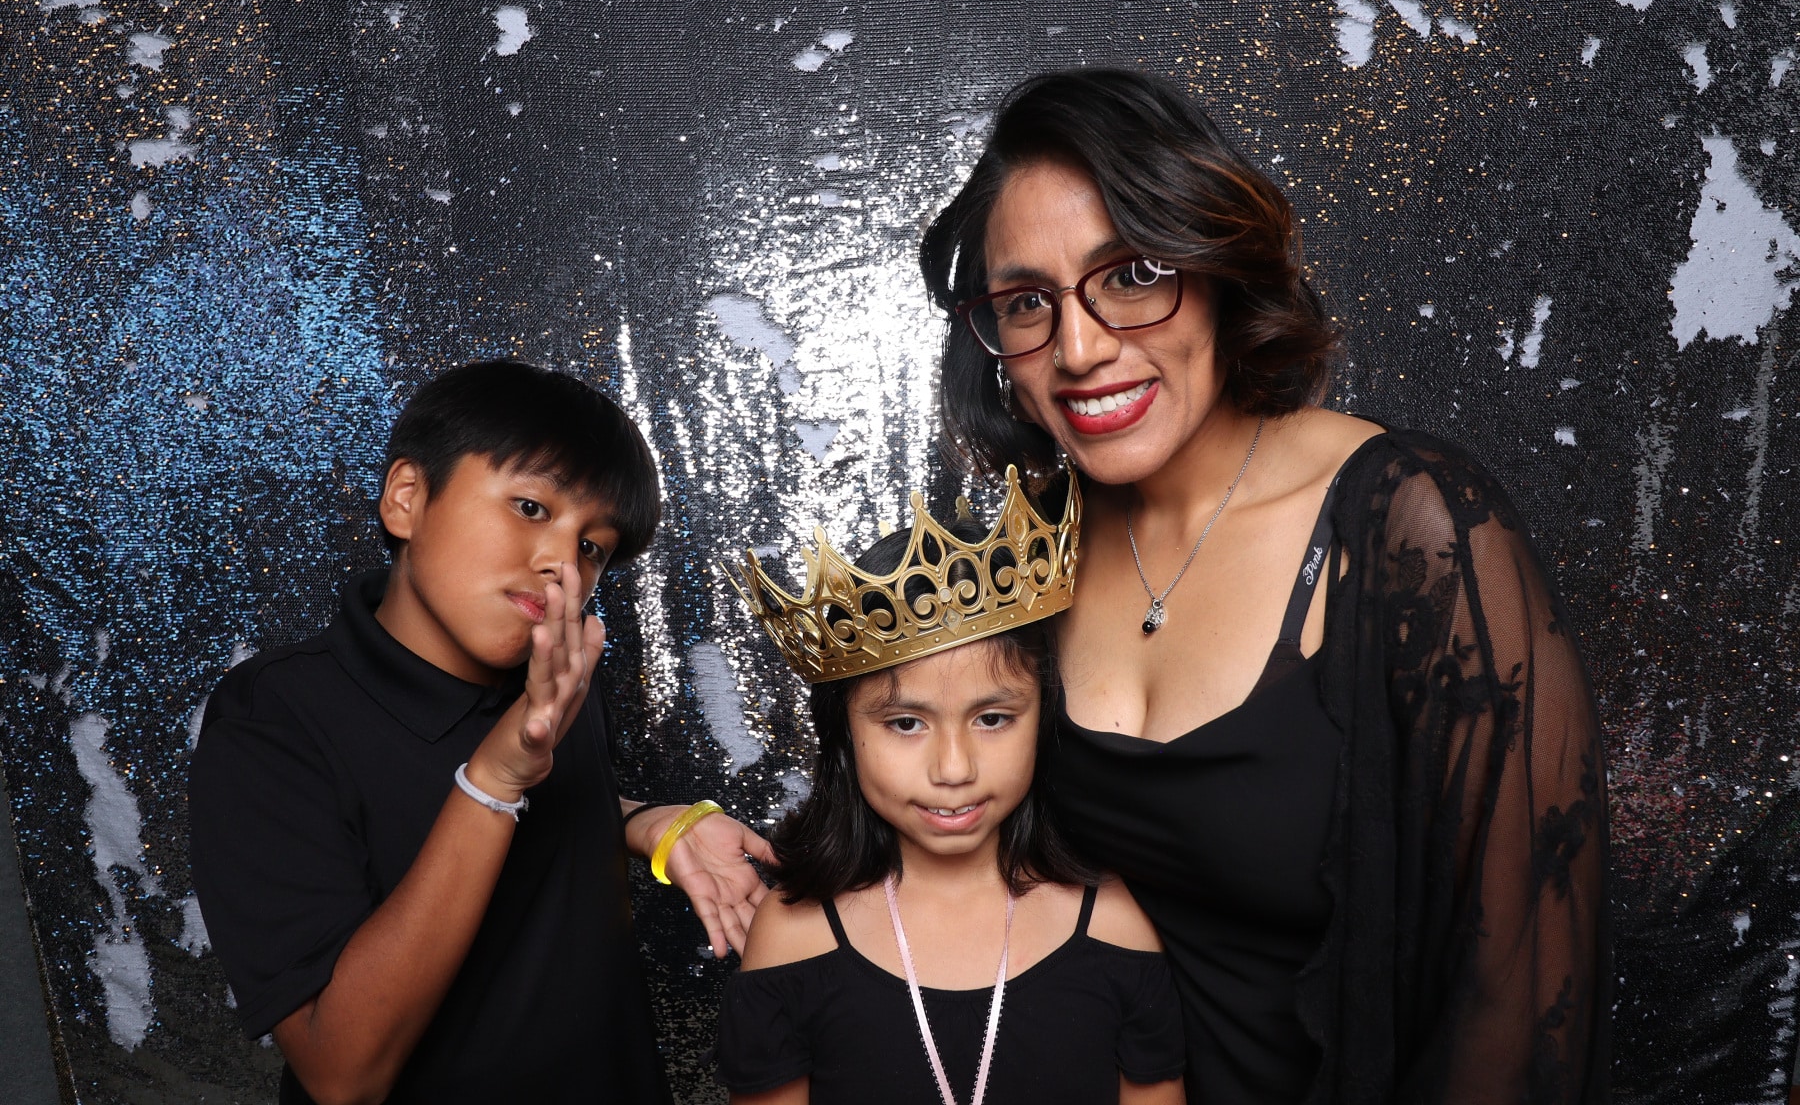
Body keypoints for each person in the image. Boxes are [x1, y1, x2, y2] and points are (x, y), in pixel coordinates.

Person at [919, 68, 1611, 1105]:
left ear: (1219, 268)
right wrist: (669, 827)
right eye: (1027, 303)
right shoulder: (1026, 556)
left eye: (1132, 274)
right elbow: (898, 829)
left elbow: (1517, 991)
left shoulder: (1413, 526)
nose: (1080, 348)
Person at [189, 360, 775, 1105]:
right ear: (408, 498)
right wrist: (493, 782)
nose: (560, 562)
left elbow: (549, 819)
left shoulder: (557, 677)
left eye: (591, 547)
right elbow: (341, 1073)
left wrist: (651, 824)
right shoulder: (274, 718)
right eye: (530, 507)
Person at [714, 474, 1186, 1104]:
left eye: (992, 718)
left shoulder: (1114, 925)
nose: (954, 768)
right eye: (906, 724)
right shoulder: (793, 935)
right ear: (844, 734)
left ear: (1043, 718)